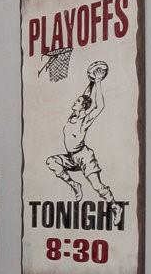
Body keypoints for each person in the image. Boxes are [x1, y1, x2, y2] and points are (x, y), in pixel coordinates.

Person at [47, 60, 113, 202]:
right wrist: (91, 81)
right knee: (52, 162)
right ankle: (75, 185)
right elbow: (87, 96)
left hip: (84, 156)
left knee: (97, 186)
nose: (75, 102)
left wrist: (99, 81)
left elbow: (99, 105)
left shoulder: (84, 121)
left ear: (83, 107)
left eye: (77, 102)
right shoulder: (73, 116)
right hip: (71, 157)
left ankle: (115, 206)